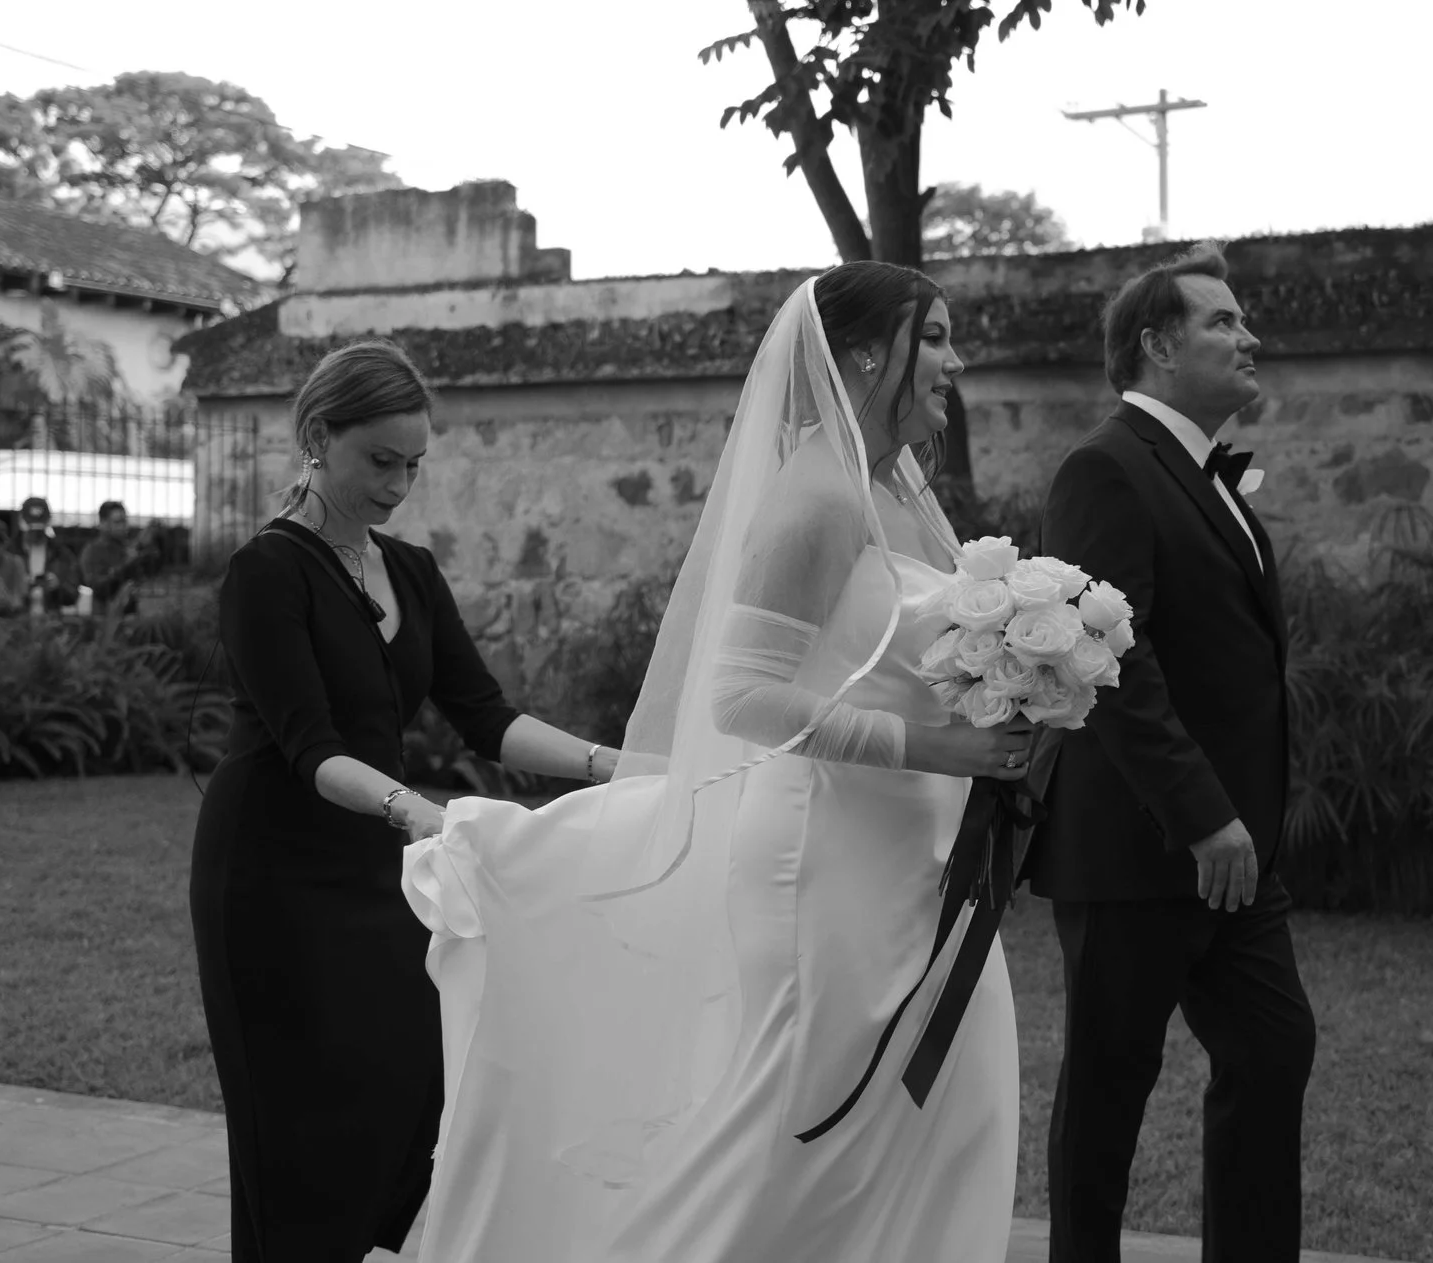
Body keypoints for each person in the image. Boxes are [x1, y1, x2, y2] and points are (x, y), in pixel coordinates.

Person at [402, 263, 1033, 1262]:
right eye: (940, 338)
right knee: (799, 1135)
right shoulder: (817, 499)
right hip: (822, 860)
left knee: (947, 1112)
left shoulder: (896, 494)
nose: (957, 363)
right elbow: (742, 698)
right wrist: (940, 744)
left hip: (918, 855)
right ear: (868, 353)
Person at [188, 339, 617, 1263]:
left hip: (377, 869)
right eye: (379, 461)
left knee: (414, 1077)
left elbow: (487, 717)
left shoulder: (412, 570)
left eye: (414, 465)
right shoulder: (267, 572)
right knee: (297, 1132)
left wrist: (613, 764)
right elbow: (310, 750)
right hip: (272, 873)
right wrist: (424, 815)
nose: (398, 484)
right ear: (316, 438)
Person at [1029, 243, 1318, 1263]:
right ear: (1155, 345)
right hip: (1138, 851)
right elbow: (1109, 660)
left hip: (1239, 860)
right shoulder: (1105, 468)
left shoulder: (1209, 476)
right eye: (1222, 323)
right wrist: (1201, 814)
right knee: (1110, 1090)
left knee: (1274, 1050)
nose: (1249, 339)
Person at [77, 500, 159, 612]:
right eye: (117, 522)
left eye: (124, 521)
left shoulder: (126, 548)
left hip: (129, 617)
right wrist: (127, 564)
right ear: (103, 523)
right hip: (103, 618)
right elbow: (98, 587)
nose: (123, 526)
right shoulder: (92, 551)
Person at [12, 495, 81, 614]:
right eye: (31, 528)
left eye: (40, 529)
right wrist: (20, 586)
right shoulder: (11, 552)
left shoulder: (62, 554)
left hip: (50, 620)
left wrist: (58, 587)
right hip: (17, 618)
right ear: (22, 523)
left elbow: (73, 595)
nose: (35, 533)